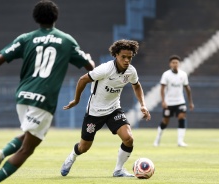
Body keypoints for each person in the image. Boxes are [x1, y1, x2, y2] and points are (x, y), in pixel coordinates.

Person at [0, 1, 95, 183]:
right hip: (43, 98)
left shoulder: (26, 38)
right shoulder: (66, 40)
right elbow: (89, 67)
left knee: (29, 134)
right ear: (56, 17)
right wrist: (88, 59)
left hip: (23, 96)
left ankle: (1, 153)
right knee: (27, 149)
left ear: (36, 18)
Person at [60, 39, 151, 177]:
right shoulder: (105, 69)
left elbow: (136, 85)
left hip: (114, 109)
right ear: (116, 55)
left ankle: (118, 170)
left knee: (128, 139)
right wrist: (76, 100)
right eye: (123, 57)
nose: (127, 60)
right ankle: (72, 156)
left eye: (129, 57)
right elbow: (83, 79)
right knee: (84, 147)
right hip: (94, 112)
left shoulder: (131, 71)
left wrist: (143, 105)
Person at [153, 55, 194, 147]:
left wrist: (190, 102)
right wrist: (163, 101)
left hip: (180, 101)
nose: (175, 64)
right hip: (169, 102)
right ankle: (157, 139)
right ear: (170, 64)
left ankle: (180, 141)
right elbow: (162, 89)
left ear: (179, 64)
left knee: (182, 118)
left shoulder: (183, 75)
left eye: (176, 63)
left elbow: (187, 88)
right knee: (165, 121)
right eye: (173, 63)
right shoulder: (166, 74)